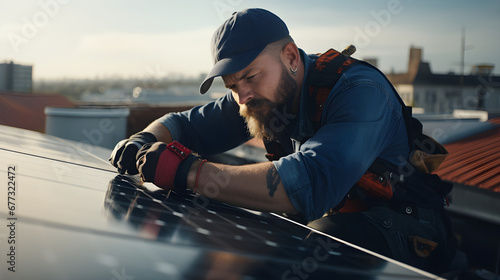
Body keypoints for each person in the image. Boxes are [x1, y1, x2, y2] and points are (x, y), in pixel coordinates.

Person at [109, 8, 456, 274]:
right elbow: (184, 125)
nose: (242, 96)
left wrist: (189, 172)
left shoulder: (361, 92)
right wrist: (143, 138)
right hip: (337, 217)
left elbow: (310, 181)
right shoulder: (258, 96)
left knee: (314, 248)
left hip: (405, 230)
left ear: (290, 57)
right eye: (231, 86)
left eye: (250, 77)